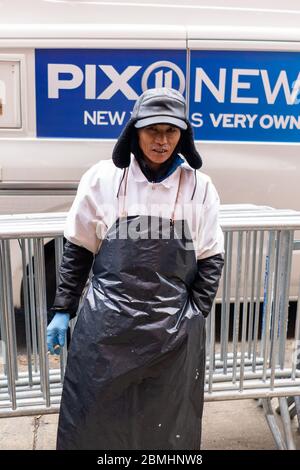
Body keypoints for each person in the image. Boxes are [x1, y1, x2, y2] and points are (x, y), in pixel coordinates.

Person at [47, 87, 224, 450]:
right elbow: (79, 248)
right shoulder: (103, 179)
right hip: (106, 333)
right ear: (135, 131)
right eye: (152, 130)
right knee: (94, 424)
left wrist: (194, 314)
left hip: (172, 334)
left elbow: (210, 257)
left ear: (183, 135)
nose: (162, 141)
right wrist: (63, 308)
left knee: (165, 427)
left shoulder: (199, 188)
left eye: (171, 131)